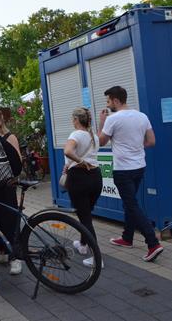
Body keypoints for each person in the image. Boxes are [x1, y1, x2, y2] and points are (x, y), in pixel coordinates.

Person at [98, 86, 164, 262]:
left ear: (116, 100)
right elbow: (151, 141)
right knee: (130, 203)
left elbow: (101, 141)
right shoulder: (142, 116)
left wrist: (102, 122)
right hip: (139, 167)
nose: (107, 105)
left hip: (123, 170)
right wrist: (135, 146)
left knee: (132, 205)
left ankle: (153, 243)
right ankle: (127, 238)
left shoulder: (113, 119)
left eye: (108, 101)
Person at [0, 109, 23, 275]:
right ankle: (0, 252)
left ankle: (15, 258)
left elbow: (17, 161)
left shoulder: (10, 137)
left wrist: (14, 179)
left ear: (0, 121)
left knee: (10, 220)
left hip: (7, 185)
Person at [63, 107, 103, 267]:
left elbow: (68, 151)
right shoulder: (93, 136)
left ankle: (97, 258)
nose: (72, 122)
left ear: (77, 120)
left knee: (85, 218)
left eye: (73, 119)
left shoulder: (76, 134)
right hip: (96, 178)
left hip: (79, 179)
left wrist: (79, 161)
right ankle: (83, 245)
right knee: (86, 214)